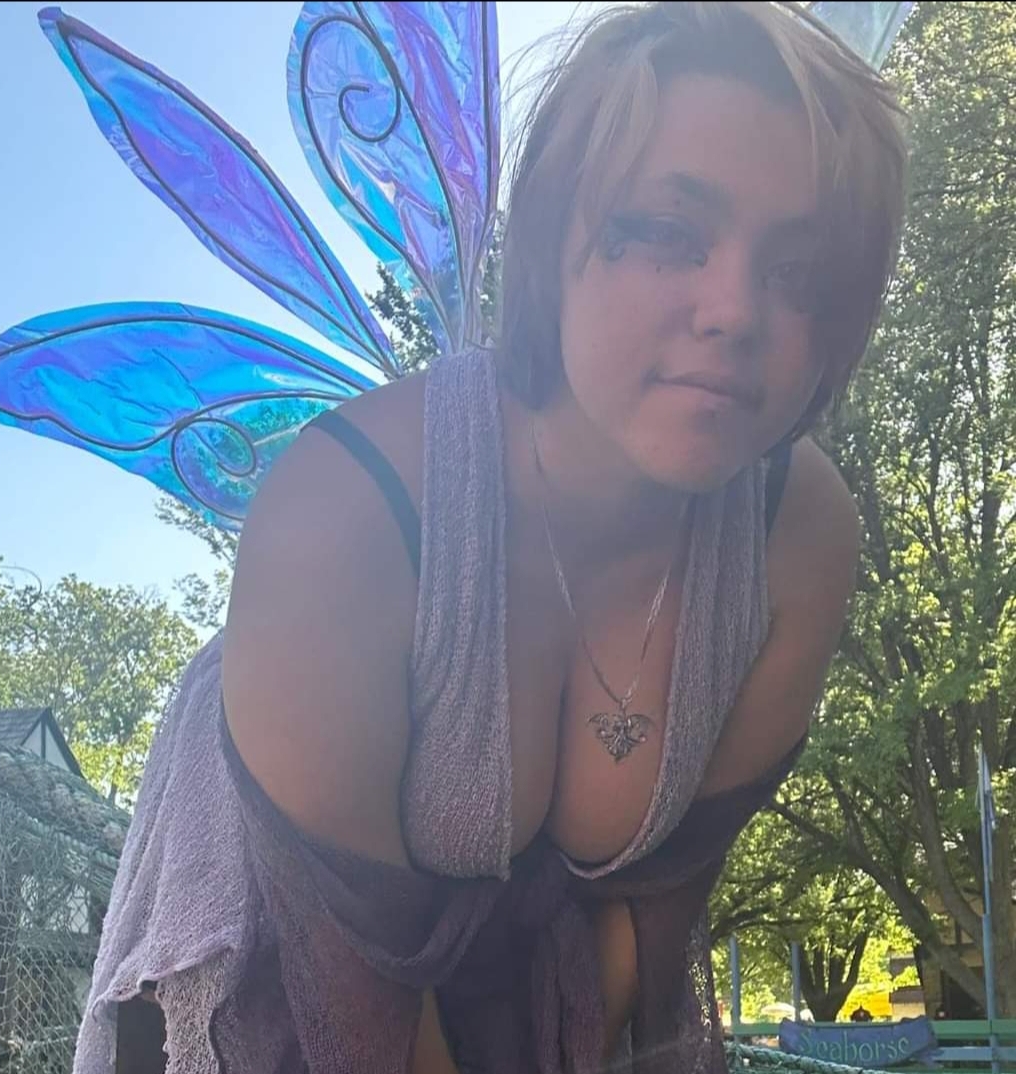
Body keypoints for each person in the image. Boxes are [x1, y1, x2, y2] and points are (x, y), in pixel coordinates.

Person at [75, 3, 908, 1073]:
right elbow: (355, 1010)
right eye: (669, 232)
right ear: (555, 241)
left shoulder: (800, 539)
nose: (734, 310)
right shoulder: (337, 517)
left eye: (798, 270)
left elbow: (649, 912)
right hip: (274, 979)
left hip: (526, 1005)